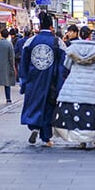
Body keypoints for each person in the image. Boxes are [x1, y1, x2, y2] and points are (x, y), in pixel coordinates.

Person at [52, 26, 95, 147]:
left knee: (77, 113)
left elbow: (66, 65)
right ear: (89, 35)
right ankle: (90, 139)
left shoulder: (72, 49)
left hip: (75, 84)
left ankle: (80, 140)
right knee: (91, 114)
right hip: (92, 86)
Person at [20, 12, 67, 147]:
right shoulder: (57, 42)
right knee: (48, 107)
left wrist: (24, 81)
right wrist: (60, 83)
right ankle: (46, 137)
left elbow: (23, 63)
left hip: (33, 80)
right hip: (50, 81)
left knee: (34, 104)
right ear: (51, 27)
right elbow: (62, 65)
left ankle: (34, 126)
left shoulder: (30, 41)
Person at [0, 28, 16, 104]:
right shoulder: (9, 44)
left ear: (0, 34)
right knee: (7, 82)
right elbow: (11, 57)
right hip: (7, 66)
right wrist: (13, 66)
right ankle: (8, 98)